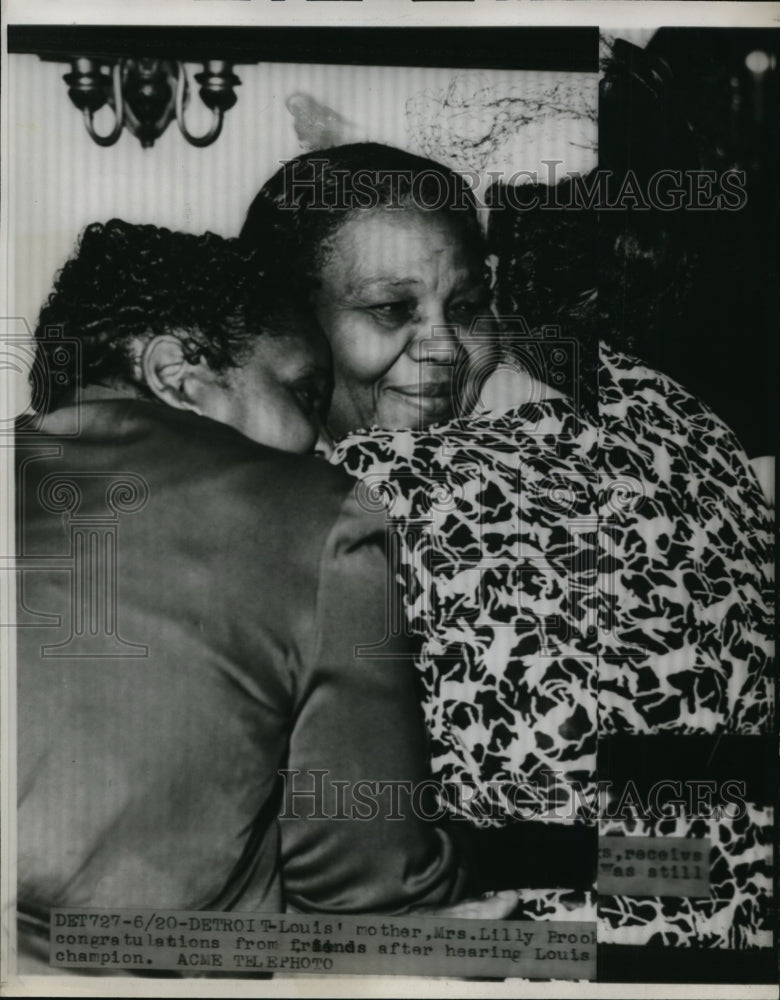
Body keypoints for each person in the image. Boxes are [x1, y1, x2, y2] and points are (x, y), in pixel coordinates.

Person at [240, 144, 773, 921]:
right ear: (292, 322)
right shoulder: (658, 401)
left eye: (464, 309)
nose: (444, 349)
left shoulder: (348, 497)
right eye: (393, 310)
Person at [17, 219, 522, 972]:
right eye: (304, 395)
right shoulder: (322, 513)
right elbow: (363, 892)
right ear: (176, 376)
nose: (323, 443)